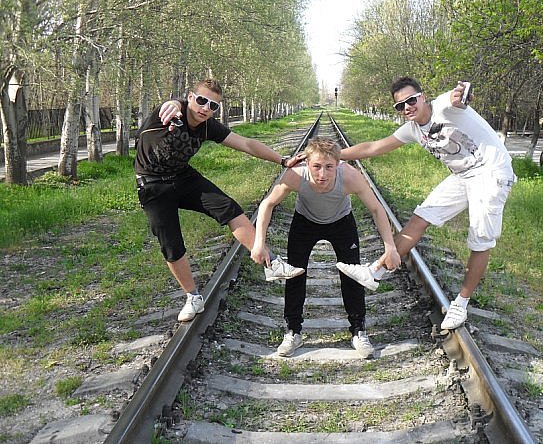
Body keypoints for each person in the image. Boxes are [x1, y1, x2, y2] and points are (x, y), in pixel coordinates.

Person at [336, 77, 516, 330]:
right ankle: (375, 271)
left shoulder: (443, 106)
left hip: (491, 173)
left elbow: (459, 96)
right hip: (463, 175)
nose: (407, 107)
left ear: (422, 97)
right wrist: (332, 154)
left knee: (479, 239)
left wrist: (464, 92)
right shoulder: (412, 129)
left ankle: (460, 304)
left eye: (411, 100)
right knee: (420, 218)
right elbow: (373, 147)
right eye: (400, 106)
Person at [135, 78, 304, 323]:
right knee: (171, 243)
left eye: (213, 105)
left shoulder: (208, 126)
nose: (205, 108)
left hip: (182, 177)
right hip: (152, 185)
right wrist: (173, 104)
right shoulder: (167, 113)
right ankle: (193, 297)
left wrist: (283, 160)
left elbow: (247, 144)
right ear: (190, 97)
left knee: (229, 208)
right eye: (201, 100)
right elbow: (170, 106)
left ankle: (273, 264)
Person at [251, 137, 401, 358]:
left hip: (341, 222)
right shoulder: (296, 174)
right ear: (307, 163)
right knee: (295, 273)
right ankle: (293, 331)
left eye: (329, 167)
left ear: (338, 164)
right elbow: (268, 203)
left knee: (353, 275)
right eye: (317, 166)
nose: (322, 174)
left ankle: (358, 330)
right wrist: (259, 243)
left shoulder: (349, 176)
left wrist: (390, 247)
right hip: (305, 222)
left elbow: (377, 209)